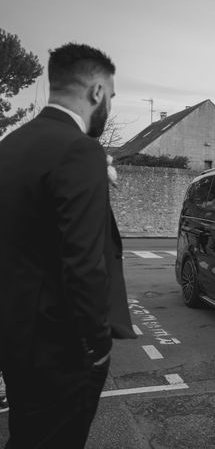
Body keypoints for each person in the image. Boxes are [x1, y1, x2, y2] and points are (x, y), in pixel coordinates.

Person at [0, 43, 134, 448]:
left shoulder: (10, 145)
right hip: (60, 346)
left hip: (16, 336)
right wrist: (95, 346)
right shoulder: (80, 150)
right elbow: (84, 260)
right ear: (96, 91)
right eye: (110, 96)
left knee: (28, 435)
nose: (108, 104)